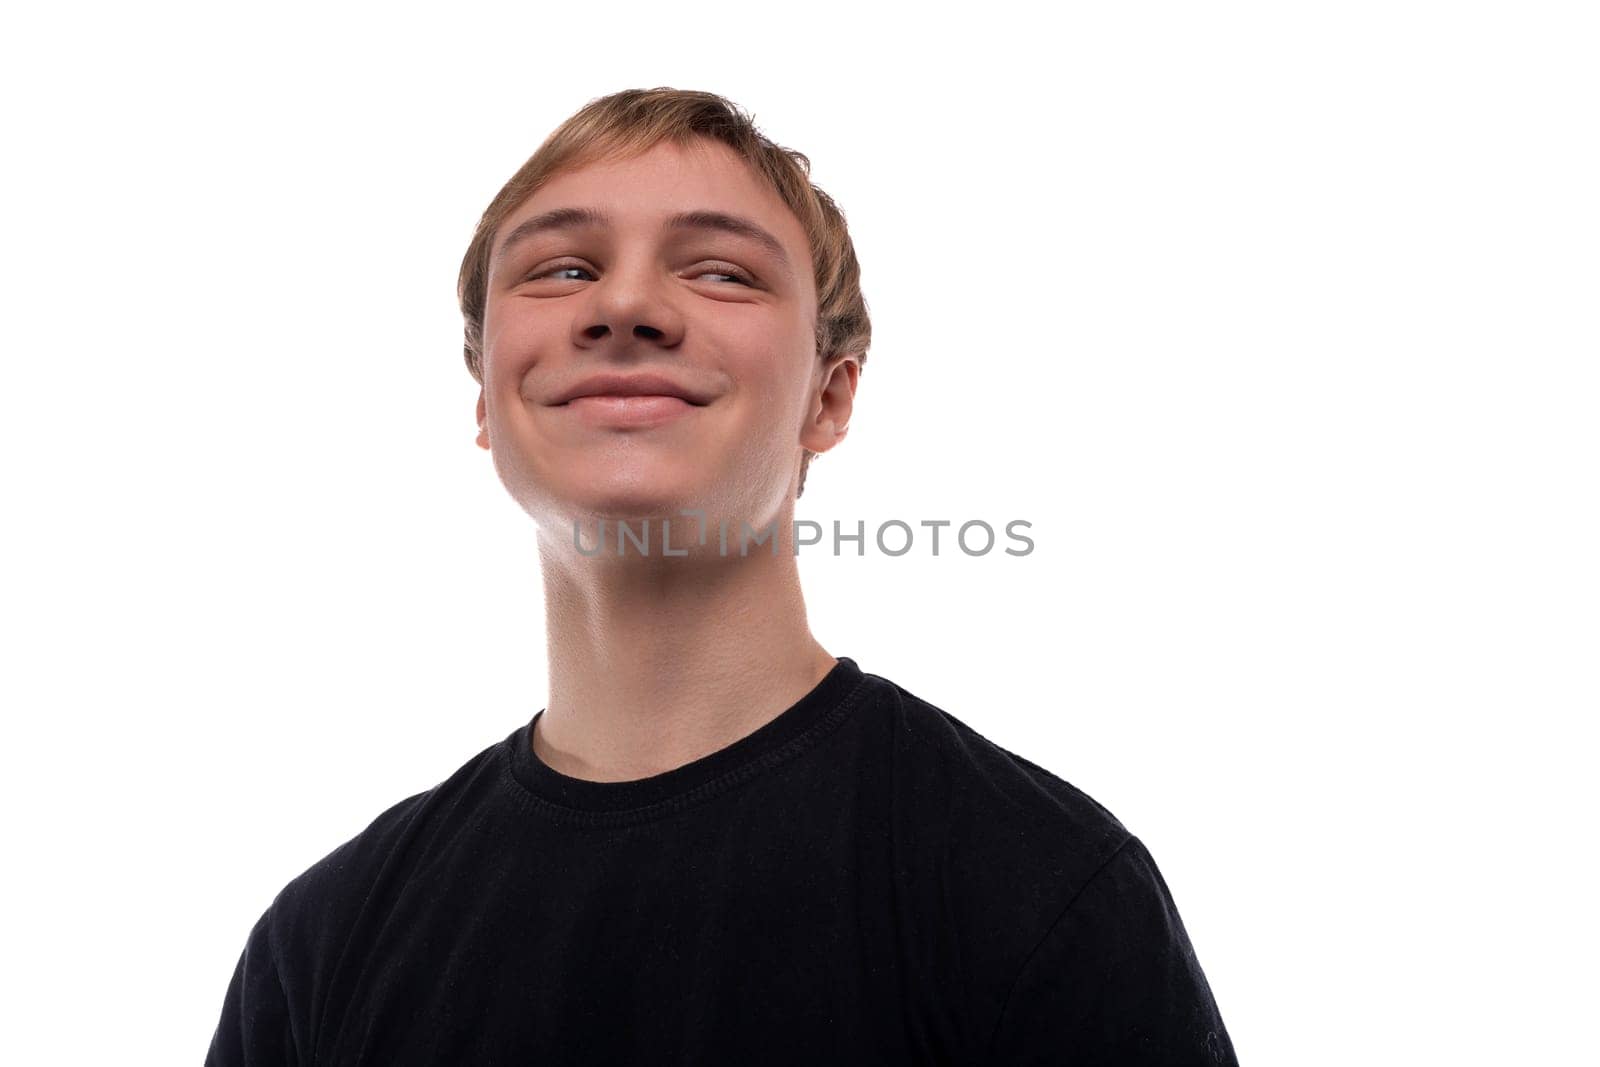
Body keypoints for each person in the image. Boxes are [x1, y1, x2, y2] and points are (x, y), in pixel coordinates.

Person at [205, 87, 1238, 1065]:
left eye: (721, 271)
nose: (623, 304)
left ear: (828, 399)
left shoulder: (1036, 885)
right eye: (561, 269)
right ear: (487, 397)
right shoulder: (320, 943)